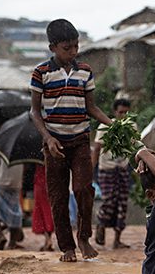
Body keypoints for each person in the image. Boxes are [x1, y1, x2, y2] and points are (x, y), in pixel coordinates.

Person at [29, 19, 113, 261]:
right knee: (58, 197)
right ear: (52, 47)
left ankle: (83, 237)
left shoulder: (85, 71)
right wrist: (47, 138)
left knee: (84, 189)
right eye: (67, 48)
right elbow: (35, 111)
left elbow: (92, 108)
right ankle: (66, 246)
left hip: (80, 141)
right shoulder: (41, 73)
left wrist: (114, 125)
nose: (73, 52)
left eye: (76, 46)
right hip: (54, 144)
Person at [92, 98, 134, 249]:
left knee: (122, 203)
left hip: (123, 169)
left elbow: (135, 146)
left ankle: (117, 239)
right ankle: (101, 224)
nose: (123, 115)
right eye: (121, 112)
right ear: (115, 112)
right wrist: (92, 169)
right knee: (109, 200)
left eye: (126, 112)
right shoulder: (104, 127)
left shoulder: (131, 127)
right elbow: (96, 148)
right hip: (106, 169)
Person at [0, 150, 24, 250]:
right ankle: (12, 242)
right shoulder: (20, 150)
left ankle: (0, 235)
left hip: (1, 183)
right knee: (14, 215)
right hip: (16, 185)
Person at [31, 164, 54, 251]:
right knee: (49, 210)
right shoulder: (54, 154)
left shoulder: (38, 157)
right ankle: (48, 239)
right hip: (51, 183)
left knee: (41, 211)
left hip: (40, 183)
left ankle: (48, 240)